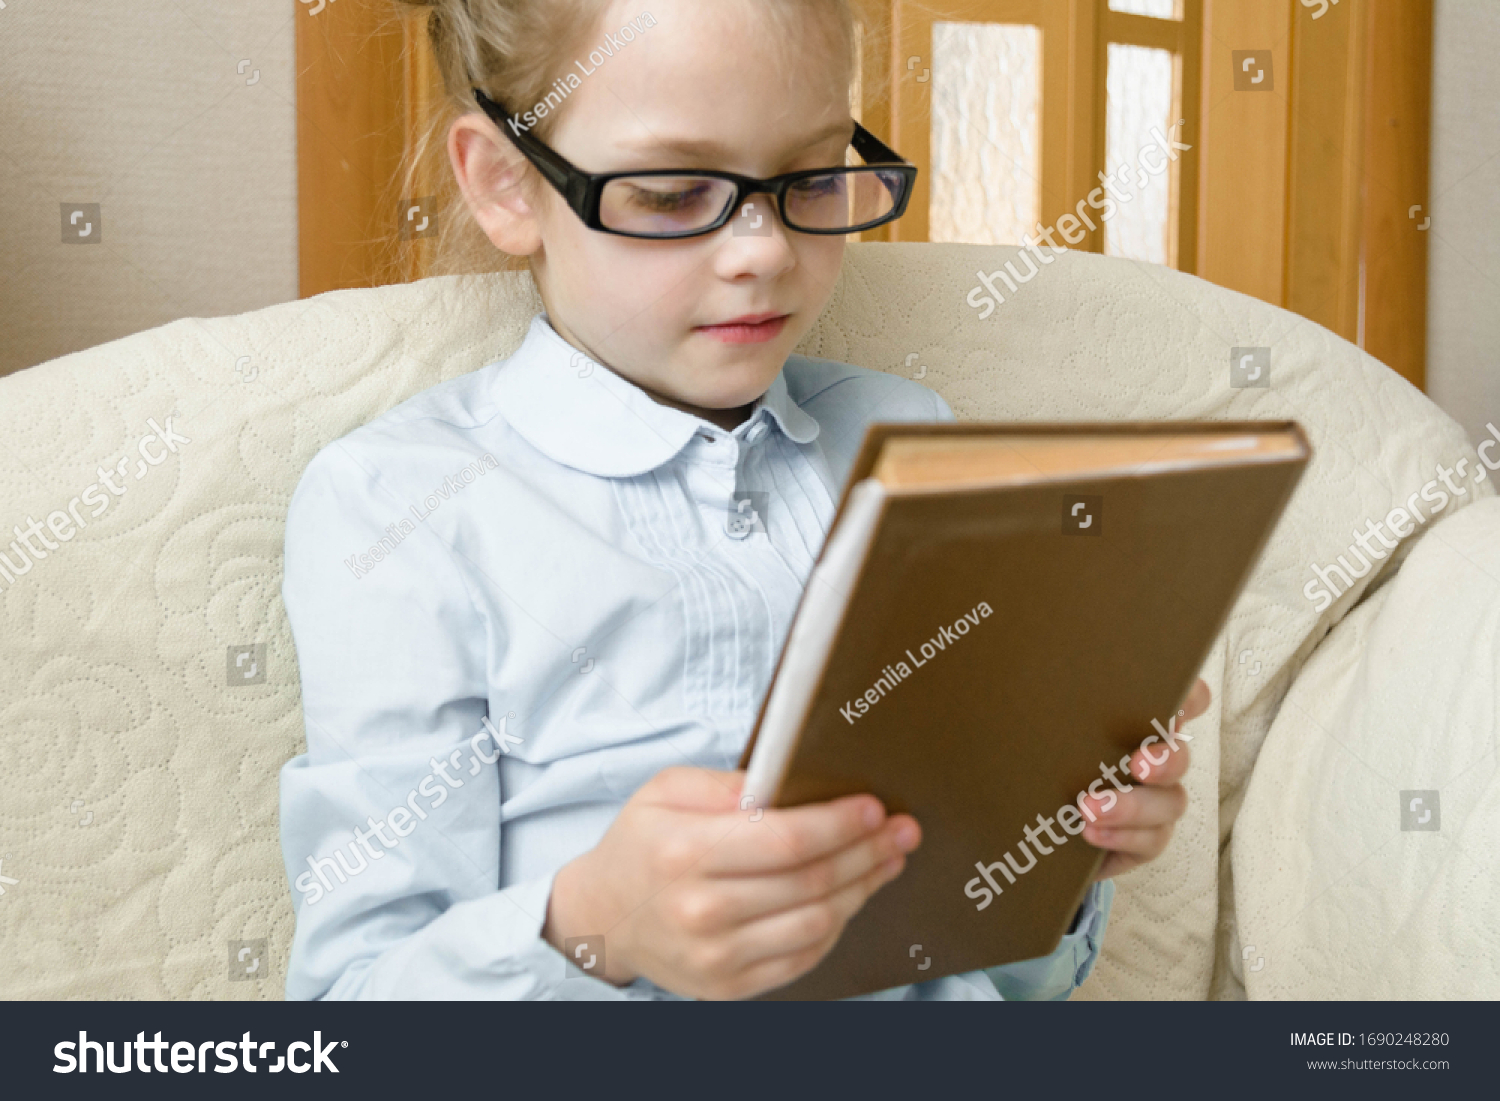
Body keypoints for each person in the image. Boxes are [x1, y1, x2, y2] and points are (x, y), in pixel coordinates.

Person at [278, 0, 1205, 1000]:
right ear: (508, 184)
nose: (762, 251)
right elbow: (349, 1002)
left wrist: (1054, 854)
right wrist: (596, 926)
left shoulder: (910, 443)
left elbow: (1007, 981)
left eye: (810, 178)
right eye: (676, 193)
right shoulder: (401, 503)